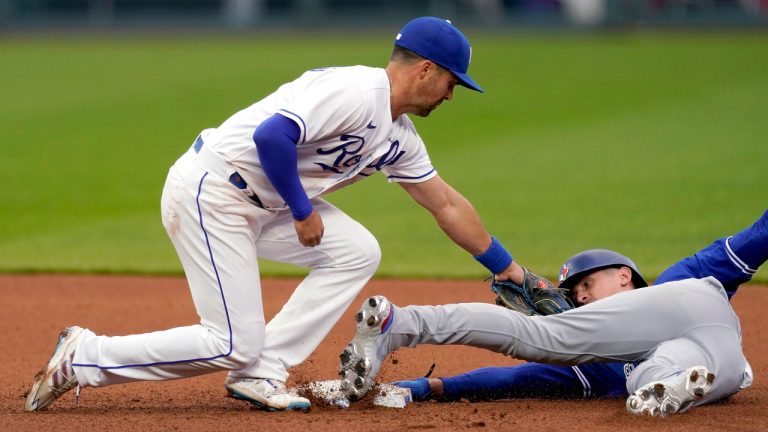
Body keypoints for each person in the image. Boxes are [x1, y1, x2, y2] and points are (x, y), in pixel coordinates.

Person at [25, 17, 526, 412]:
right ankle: (86, 357)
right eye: (451, 82)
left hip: (267, 204)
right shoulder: (355, 91)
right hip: (216, 191)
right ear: (426, 69)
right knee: (228, 343)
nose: (451, 94)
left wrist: (508, 269)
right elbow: (272, 136)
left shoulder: (398, 136)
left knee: (355, 251)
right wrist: (305, 211)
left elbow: (446, 204)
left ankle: (262, 369)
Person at [339, 209, 767, 416]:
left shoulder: (673, 280)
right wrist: (435, 386)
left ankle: (401, 324)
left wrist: (429, 387)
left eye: (586, 284)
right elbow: (756, 238)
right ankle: (668, 386)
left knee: (538, 336)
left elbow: (520, 371)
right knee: (691, 374)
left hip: (684, 298)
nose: (580, 297)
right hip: (716, 338)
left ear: (624, 276)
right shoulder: (685, 278)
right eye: (576, 292)